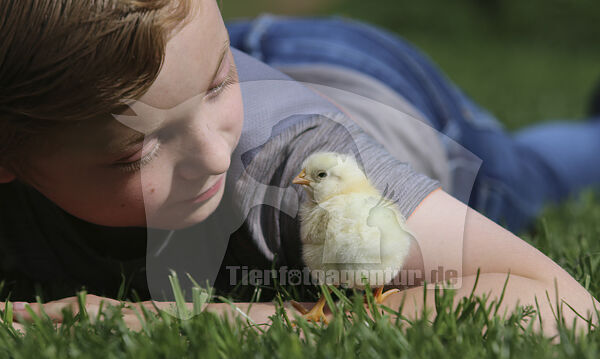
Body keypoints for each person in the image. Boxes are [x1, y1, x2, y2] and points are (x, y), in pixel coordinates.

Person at [0, 1, 598, 337]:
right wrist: (209, 81)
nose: (212, 154)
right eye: (139, 154)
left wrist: (200, 321)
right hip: (196, 61)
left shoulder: (288, 161)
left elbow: (561, 302)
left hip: (377, 83)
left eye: (219, 84)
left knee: (525, 174)